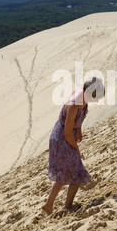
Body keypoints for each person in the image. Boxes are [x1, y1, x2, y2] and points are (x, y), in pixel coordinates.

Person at [42, 77, 105, 215]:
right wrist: (76, 147)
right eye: (96, 97)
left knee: (72, 171)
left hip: (69, 136)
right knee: (73, 171)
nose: (98, 100)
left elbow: (79, 119)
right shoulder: (73, 106)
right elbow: (67, 132)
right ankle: (56, 205)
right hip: (61, 139)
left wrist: (80, 129)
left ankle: (54, 205)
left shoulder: (84, 97)